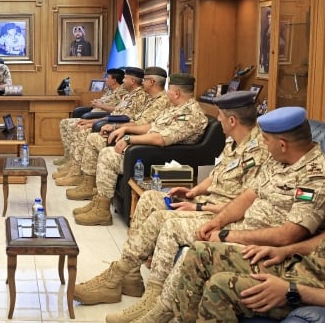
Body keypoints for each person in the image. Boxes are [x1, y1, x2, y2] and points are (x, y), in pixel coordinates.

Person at [115, 106, 325, 323]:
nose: (264, 145)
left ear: (283, 144)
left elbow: (287, 235)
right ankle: (159, 306)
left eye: (266, 141)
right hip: (244, 229)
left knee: (195, 252)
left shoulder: (318, 178)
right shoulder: (281, 161)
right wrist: (217, 223)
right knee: (189, 240)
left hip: (270, 250)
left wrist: (227, 236)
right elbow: (248, 196)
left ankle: (163, 312)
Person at [170, 122, 325, 323]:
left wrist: (293, 291)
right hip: (302, 265)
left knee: (220, 286)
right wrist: (286, 251)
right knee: (201, 253)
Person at [72, 91, 267, 308]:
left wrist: (200, 206)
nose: (217, 118)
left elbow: (246, 204)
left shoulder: (260, 152)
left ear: (232, 120)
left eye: (220, 115)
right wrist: (193, 192)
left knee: (161, 220)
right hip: (207, 201)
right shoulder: (233, 141)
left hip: (222, 214)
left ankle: (141, 291)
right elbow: (216, 175)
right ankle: (131, 277)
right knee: (149, 198)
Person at [69, 73, 209, 226]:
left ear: (176, 93)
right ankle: (99, 201)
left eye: (169, 89)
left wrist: (129, 139)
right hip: (148, 150)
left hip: (160, 157)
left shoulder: (190, 114)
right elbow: (151, 126)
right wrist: (124, 130)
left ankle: (102, 211)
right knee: (108, 152)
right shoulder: (175, 108)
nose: (167, 92)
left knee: (108, 155)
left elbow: (160, 139)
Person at [54, 68, 130, 187]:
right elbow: (116, 112)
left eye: (107, 77)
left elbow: (119, 114)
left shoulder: (124, 93)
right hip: (103, 119)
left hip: (109, 123)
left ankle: (77, 173)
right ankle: (71, 162)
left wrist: (98, 111)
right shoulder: (113, 92)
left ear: (114, 80)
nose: (105, 79)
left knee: (80, 129)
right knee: (67, 123)